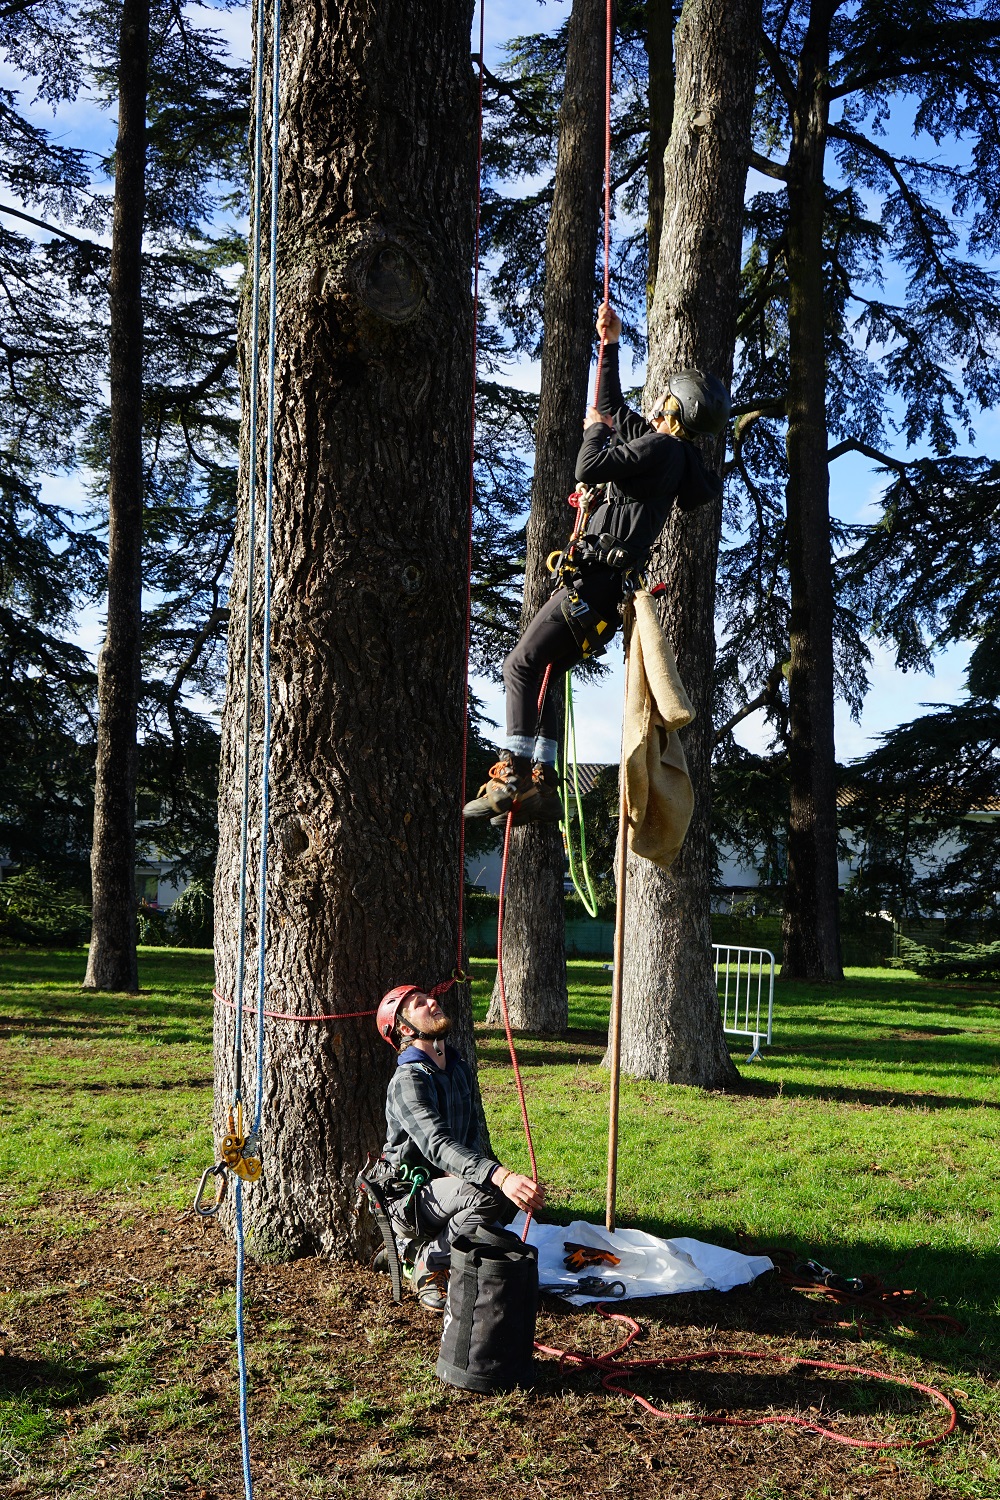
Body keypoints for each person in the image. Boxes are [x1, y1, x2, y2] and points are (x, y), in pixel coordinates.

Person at [463, 303, 730, 827]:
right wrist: (609, 346)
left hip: (597, 584)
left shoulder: (660, 449)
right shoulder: (665, 453)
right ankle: (542, 786)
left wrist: (592, 432)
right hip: (602, 590)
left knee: (519, 665)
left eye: (666, 395)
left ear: (675, 407)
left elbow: (591, 462)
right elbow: (610, 406)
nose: (657, 400)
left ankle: (512, 773)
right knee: (550, 666)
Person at [372, 984, 546, 1312]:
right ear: (405, 1028)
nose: (433, 1002)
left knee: (501, 1202)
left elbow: (469, 1140)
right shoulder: (408, 1081)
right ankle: (427, 1261)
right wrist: (500, 1177)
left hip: (446, 1189)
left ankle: (416, 1247)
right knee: (491, 1193)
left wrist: (508, 1182)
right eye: (420, 1004)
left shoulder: (457, 1070)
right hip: (409, 1196)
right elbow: (437, 1145)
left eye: (430, 997)